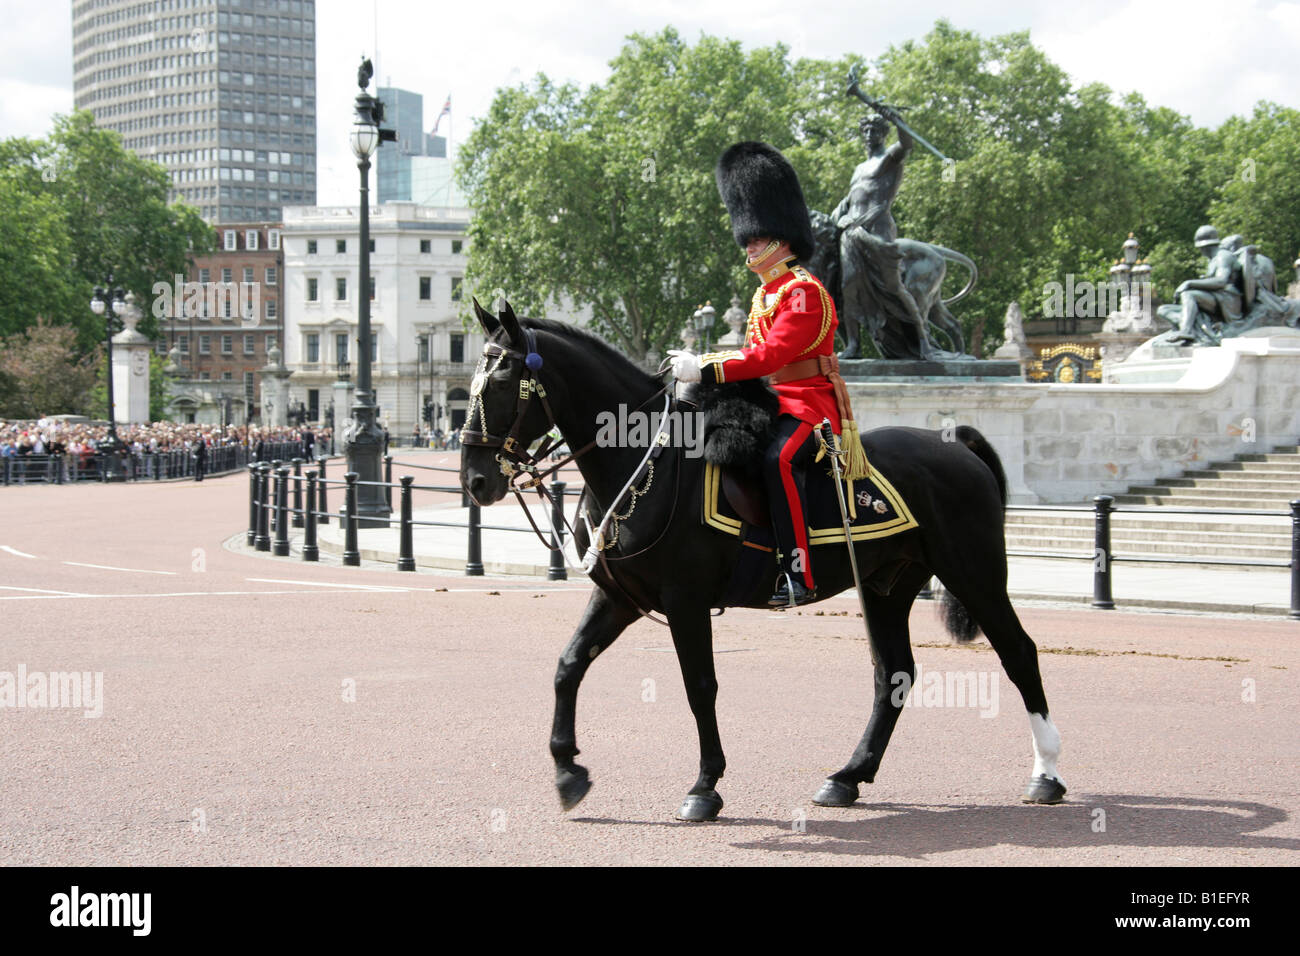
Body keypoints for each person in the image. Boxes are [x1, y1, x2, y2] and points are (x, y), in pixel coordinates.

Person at [670, 141, 863, 608]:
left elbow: (770, 356)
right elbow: (754, 356)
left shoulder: (803, 292)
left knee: (778, 458)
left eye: (756, 239)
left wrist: (707, 365)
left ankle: (799, 570)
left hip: (809, 403)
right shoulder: (764, 295)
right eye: (748, 239)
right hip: (772, 400)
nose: (749, 246)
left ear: (782, 237)